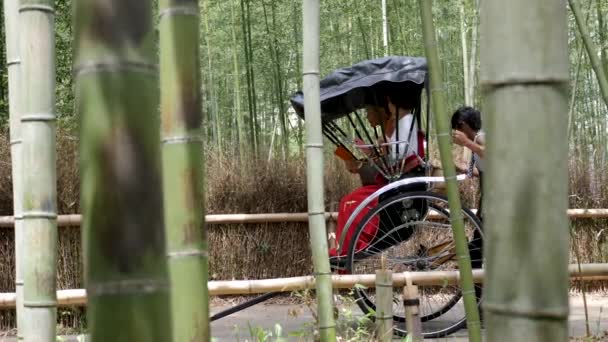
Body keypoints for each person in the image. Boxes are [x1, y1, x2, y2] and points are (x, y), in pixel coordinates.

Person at [451, 106, 485, 219]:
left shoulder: (481, 136)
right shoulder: (476, 141)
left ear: (463, 125)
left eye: (456, 129)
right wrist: (462, 168)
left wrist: (466, 142)